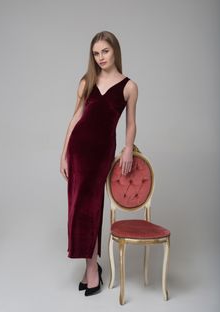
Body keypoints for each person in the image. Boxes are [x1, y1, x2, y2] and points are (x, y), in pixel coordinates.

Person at [60, 30, 138, 296]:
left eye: (105, 51)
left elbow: (130, 124)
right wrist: (63, 154)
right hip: (78, 150)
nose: (101, 57)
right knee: (78, 206)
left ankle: (92, 268)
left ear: (115, 50)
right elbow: (75, 119)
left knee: (92, 206)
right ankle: (90, 267)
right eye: (96, 53)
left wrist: (128, 149)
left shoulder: (129, 86)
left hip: (102, 152)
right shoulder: (87, 81)